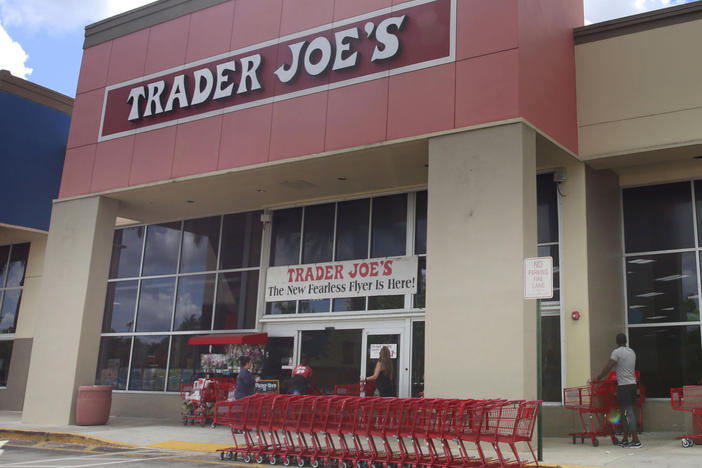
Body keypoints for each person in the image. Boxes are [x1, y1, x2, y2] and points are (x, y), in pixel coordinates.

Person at [593, 333, 641, 448]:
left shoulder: (617, 352)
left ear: (617, 342)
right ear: (626, 341)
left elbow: (609, 366)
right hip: (632, 385)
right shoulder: (631, 352)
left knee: (628, 412)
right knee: (625, 412)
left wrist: (599, 377)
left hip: (624, 386)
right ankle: (625, 439)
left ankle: (635, 440)